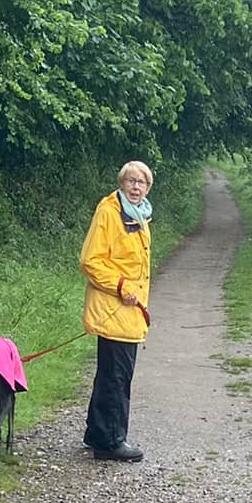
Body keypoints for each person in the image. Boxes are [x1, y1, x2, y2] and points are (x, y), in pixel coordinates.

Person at [79, 160, 153, 462]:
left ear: (148, 188)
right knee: (117, 377)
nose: (136, 187)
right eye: (131, 181)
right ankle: (110, 442)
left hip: (130, 311)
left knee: (110, 373)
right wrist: (121, 286)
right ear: (121, 184)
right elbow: (90, 261)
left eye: (142, 182)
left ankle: (96, 433)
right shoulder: (109, 213)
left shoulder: (139, 215)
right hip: (113, 309)